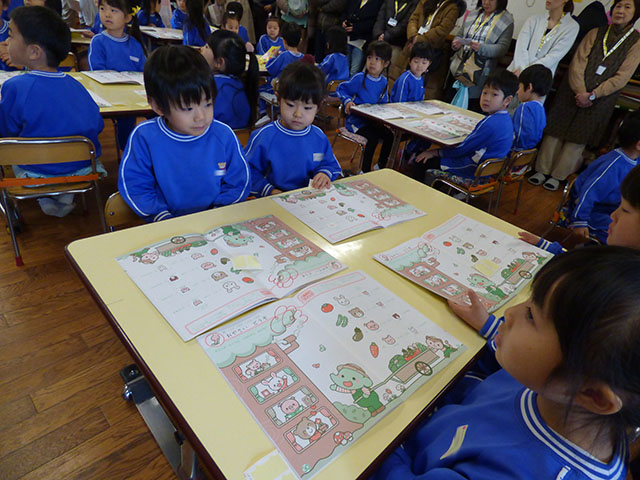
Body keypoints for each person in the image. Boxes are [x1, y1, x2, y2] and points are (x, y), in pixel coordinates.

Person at [372, 246, 640, 480]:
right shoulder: (555, 388)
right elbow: (496, 377)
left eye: (531, 316)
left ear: (592, 395)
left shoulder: (514, 472)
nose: (509, 314)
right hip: (420, 419)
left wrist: (383, 441)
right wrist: (487, 325)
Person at [118, 45, 250, 222]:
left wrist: (219, 212)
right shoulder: (145, 138)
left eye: (208, 104)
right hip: (164, 222)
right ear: (158, 106)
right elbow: (136, 186)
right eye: (187, 108)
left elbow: (238, 182)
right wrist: (161, 217)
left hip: (216, 220)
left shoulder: (223, 135)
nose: (201, 117)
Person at [0, 6, 104, 217]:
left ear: (34, 52)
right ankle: (61, 195)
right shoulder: (77, 85)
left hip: (35, 171)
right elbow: (97, 124)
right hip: (83, 169)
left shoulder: (15, 87)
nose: (6, 42)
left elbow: (5, 131)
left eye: (10, 36)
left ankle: (47, 195)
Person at [530, 0, 640, 192]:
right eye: (618, 6)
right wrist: (580, 90)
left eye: (627, 7)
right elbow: (578, 61)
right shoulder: (595, 32)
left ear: (636, 13)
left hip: (601, 98)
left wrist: (594, 95)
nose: (620, 11)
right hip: (572, 91)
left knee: (578, 137)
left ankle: (559, 176)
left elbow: (622, 77)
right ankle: (541, 169)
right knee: (555, 130)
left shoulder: (636, 43)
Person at [245, 62, 341, 197]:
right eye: (290, 105)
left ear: (318, 107)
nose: (298, 114)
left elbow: (330, 164)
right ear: (278, 100)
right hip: (273, 198)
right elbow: (246, 170)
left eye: (307, 108)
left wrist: (324, 173)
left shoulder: (319, 137)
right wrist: (268, 190)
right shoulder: (264, 136)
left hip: (308, 198)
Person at [415, 69, 516, 178]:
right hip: (486, 172)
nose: (487, 98)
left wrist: (434, 152)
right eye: (485, 92)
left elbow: (462, 149)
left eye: (494, 94)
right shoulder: (506, 120)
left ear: (507, 100)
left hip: (471, 169)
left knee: (422, 162)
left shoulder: (491, 123)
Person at [561, 114, 640, 244]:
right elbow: (588, 194)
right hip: (593, 213)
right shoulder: (613, 166)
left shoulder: (634, 160)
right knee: (629, 234)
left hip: (611, 209)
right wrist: (579, 221)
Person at [88, 0, 145, 150]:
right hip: (108, 95)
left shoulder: (135, 44)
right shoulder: (98, 41)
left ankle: (139, 150)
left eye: (113, 10)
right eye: (103, 9)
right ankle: (125, 149)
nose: (107, 14)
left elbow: (144, 72)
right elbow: (97, 72)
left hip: (132, 97)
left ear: (127, 17)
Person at [447, 0, 514, 113]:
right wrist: (456, 43)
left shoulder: (506, 20)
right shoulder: (473, 13)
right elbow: (460, 34)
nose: (486, 2)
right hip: (459, 66)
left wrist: (481, 48)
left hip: (480, 71)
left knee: (469, 109)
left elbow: (502, 48)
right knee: (449, 101)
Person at [337, 40, 393, 172]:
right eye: (369, 57)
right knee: (372, 138)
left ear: (385, 63)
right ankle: (365, 170)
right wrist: (347, 101)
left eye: (377, 59)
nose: (372, 62)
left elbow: (383, 104)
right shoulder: (359, 78)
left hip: (373, 122)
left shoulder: (384, 82)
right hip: (356, 122)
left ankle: (380, 165)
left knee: (390, 136)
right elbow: (341, 89)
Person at [507, 0, 578, 81]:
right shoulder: (534, 19)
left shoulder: (572, 27)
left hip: (539, 77)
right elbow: (521, 47)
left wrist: (526, 73)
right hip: (516, 71)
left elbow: (553, 57)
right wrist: (521, 69)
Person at [201, 29, 258, 128]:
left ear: (219, 62)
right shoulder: (243, 85)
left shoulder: (208, 87)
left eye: (206, 47)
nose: (201, 49)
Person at [512, 64, 552, 152]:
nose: (517, 92)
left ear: (529, 87)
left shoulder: (525, 107)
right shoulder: (541, 109)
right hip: (528, 152)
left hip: (515, 152)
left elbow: (518, 136)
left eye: (519, 87)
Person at [341, 0, 383, 75]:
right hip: (347, 38)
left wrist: (356, 28)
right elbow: (346, 11)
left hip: (362, 41)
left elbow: (373, 21)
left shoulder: (377, 3)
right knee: (344, 68)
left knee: (354, 70)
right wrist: (343, 21)